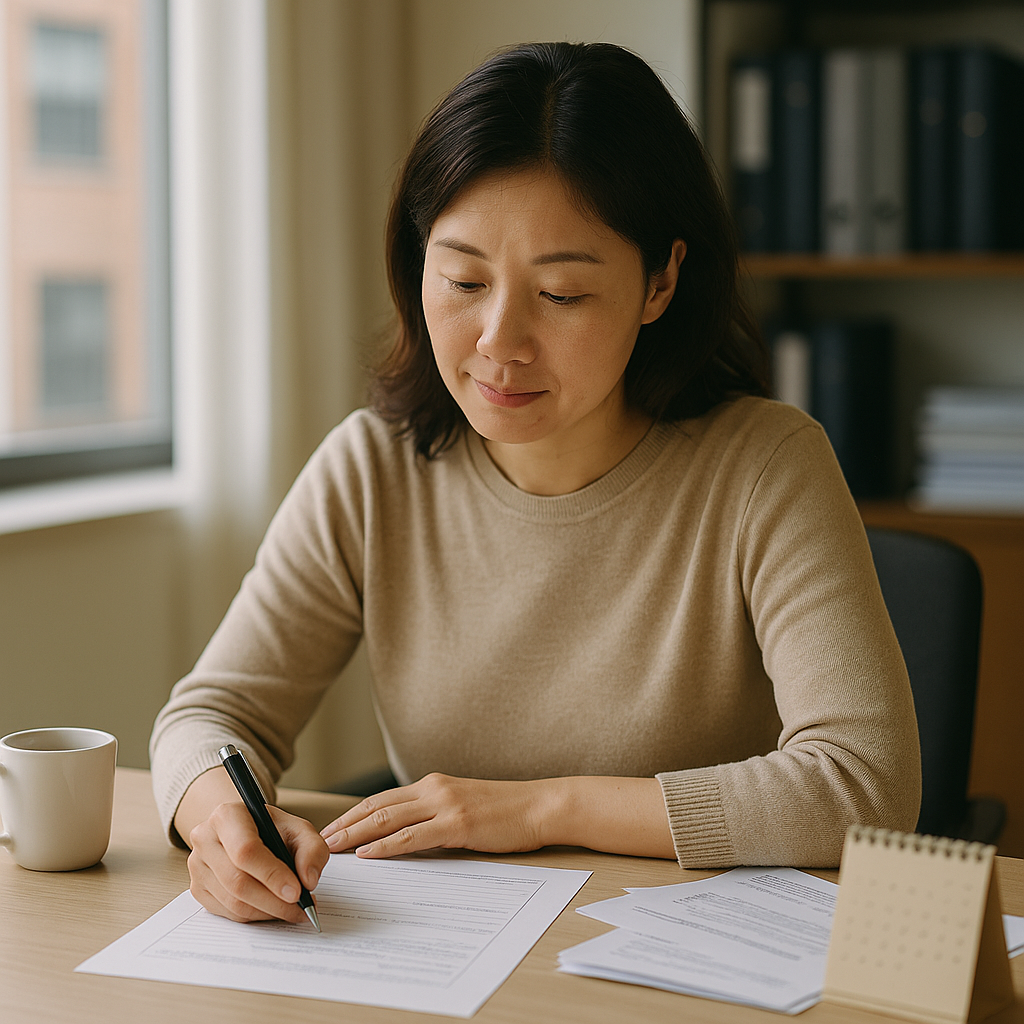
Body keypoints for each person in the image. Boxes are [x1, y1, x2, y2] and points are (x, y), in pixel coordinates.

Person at [150, 41, 920, 927]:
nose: (498, 340)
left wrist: (543, 807)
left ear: (660, 281)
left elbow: (866, 784)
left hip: (695, 953)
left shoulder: (764, 466)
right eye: (466, 280)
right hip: (453, 951)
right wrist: (219, 822)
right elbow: (209, 714)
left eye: (560, 294)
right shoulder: (372, 470)